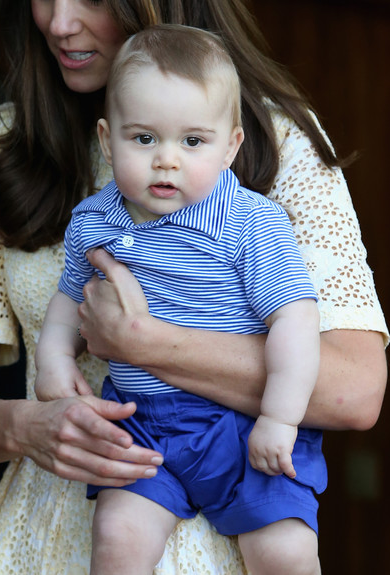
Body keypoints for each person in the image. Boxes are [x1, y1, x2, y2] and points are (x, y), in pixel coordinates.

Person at [0, 1, 387, 574]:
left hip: (239, 497)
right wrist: (23, 424)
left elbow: (354, 391)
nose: (58, 22)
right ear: (110, 140)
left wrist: (142, 341)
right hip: (73, 516)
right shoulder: (4, 147)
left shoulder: (277, 147)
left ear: (228, 145)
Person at [35, 25, 324, 575]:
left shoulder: (249, 224)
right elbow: (67, 303)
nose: (166, 160)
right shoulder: (94, 221)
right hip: (140, 419)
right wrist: (53, 364)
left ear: (231, 146)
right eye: (143, 139)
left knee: (285, 552)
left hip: (240, 421)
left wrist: (280, 418)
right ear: (106, 138)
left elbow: (295, 318)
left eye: (193, 142)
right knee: (117, 537)